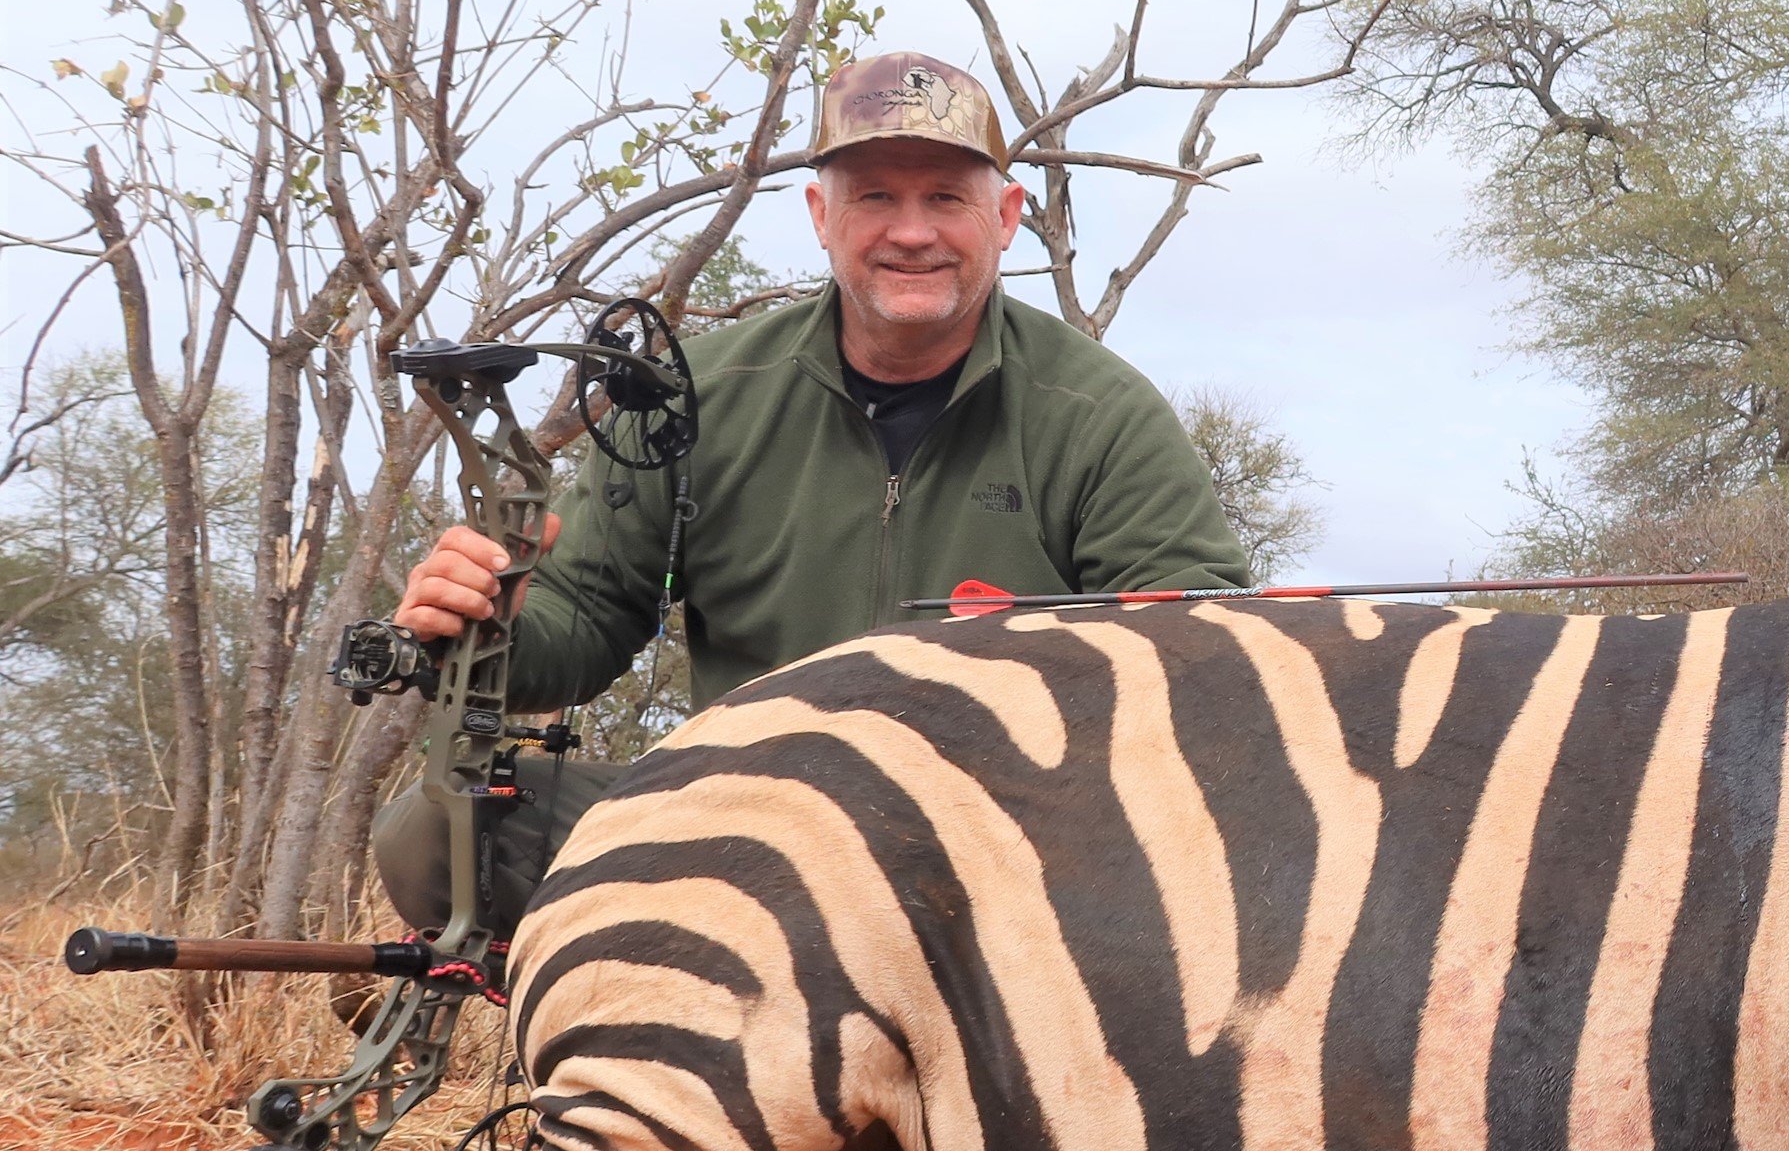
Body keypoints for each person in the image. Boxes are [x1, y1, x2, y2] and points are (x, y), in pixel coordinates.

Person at [374, 50, 1250, 935]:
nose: (912, 233)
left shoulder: (1102, 415)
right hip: (744, 819)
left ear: (1007, 216)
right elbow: (584, 624)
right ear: (821, 216)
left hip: (1005, 845)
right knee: (443, 831)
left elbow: (1201, 664)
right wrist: (488, 624)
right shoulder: (689, 395)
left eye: (946, 197)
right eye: (875, 197)